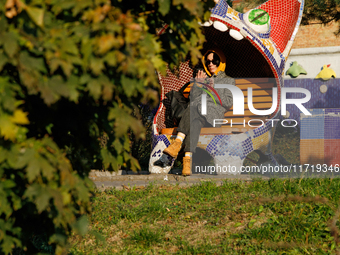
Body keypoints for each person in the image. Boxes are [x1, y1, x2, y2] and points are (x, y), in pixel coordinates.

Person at [161, 49, 235, 175]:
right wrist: (198, 85)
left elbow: (228, 101)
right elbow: (192, 99)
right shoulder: (203, 78)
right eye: (208, 62)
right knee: (194, 122)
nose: (211, 64)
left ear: (221, 62)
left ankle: (177, 143)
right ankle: (187, 162)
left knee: (194, 107)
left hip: (213, 116)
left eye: (214, 61)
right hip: (198, 114)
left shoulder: (228, 80)